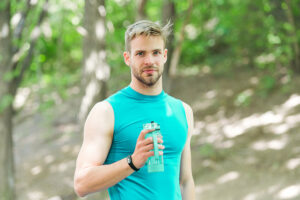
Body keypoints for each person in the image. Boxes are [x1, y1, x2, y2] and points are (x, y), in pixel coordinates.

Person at [74, 20, 195, 200]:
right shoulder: (106, 112)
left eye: (155, 52)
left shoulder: (183, 111)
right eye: (140, 53)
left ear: (165, 56)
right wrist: (132, 162)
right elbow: (81, 184)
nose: (149, 60)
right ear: (127, 58)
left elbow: (185, 181)